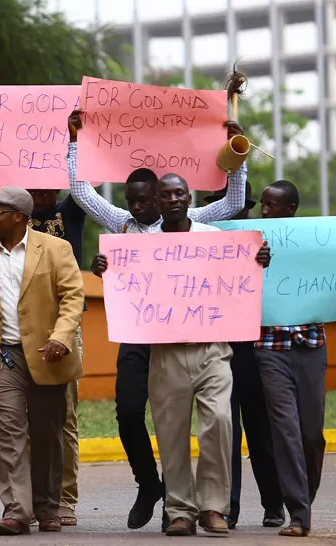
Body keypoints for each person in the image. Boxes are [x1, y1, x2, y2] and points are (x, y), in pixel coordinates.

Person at [67, 109, 249, 531]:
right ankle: (158, 493)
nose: (141, 206)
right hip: (144, 339)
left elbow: (235, 205)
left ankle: (205, 507)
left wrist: (235, 155)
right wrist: (75, 142)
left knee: (216, 423)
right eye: (134, 201)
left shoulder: (200, 228)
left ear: (173, 196)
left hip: (200, 339)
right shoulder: (124, 228)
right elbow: (81, 193)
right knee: (140, 418)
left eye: (148, 199)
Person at [92, 174, 271, 536]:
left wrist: (258, 261)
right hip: (166, 351)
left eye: (178, 193)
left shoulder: (215, 239)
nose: (172, 199)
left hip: (213, 349)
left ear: (189, 197)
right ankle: (179, 511)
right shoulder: (140, 247)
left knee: (219, 424)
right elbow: (127, 290)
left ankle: (214, 507)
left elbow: (239, 280)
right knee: (171, 433)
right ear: (157, 202)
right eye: (165, 195)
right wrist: (106, 270)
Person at [0, 88, 86, 525]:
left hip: (48, 355)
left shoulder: (56, 249)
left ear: (19, 216)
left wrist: (61, 337)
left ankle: (49, 507)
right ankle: (17, 510)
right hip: (2, 360)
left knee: (47, 437)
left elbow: (74, 297)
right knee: (9, 436)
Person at [254, 179, 336, 538]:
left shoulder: (314, 241)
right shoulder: (254, 241)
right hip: (270, 348)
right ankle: (298, 512)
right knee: (285, 429)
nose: (264, 211)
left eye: (271, 205)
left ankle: (303, 498)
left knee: (311, 434)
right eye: (262, 204)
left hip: (311, 346)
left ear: (290, 209)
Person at [203, 183, 285, 530]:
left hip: (255, 347)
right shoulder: (203, 241)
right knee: (227, 432)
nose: (231, 213)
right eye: (221, 206)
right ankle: (228, 508)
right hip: (219, 347)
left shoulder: (268, 242)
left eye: (236, 207)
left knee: (261, 429)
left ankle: (273, 503)